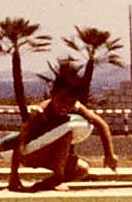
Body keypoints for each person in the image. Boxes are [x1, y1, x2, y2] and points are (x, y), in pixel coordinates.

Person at [6, 62, 118, 193]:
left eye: (71, 102)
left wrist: (109, 154)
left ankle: (44, 184)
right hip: (32, 155)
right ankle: (58, 179)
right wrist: (13, 177)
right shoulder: (40, 112)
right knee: (66, 133)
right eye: (62, 100)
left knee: (82, 170)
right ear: (52, 94)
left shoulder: (76, 106)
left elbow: (101, 124)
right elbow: (20, 142)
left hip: (52, 156)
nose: (66, 106)